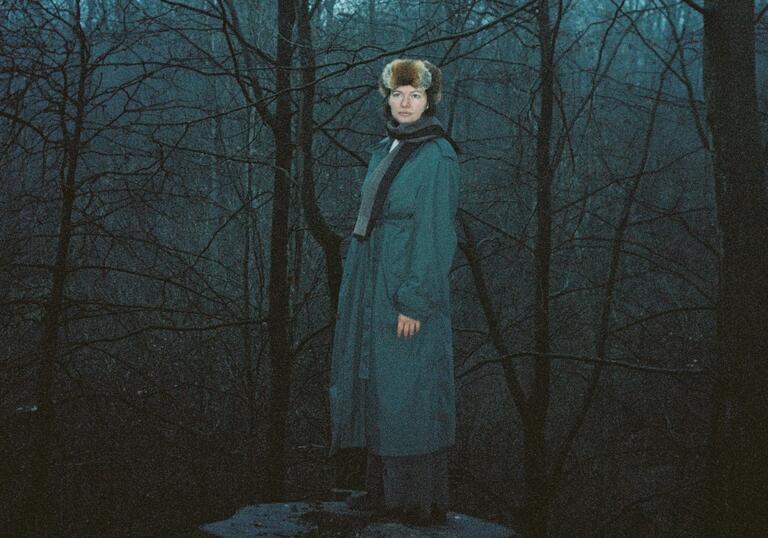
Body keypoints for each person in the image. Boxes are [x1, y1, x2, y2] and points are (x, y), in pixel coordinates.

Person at [328, 58, 460, 526]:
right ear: (387, 97)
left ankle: (416, 501)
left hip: (407, 291)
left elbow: (437, 235)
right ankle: (384, 493)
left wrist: (414, 301)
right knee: (379, 387)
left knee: (411, 390)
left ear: (430, 101)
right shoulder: (388, 148)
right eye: (398, 95)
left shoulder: (437, 155)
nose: (405, 104)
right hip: (374, 285)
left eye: (416, 96)